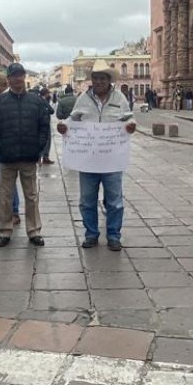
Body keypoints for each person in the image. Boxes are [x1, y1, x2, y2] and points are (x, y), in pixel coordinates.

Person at [57, 59, 136, 251]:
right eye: (96, 78)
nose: (99, 81)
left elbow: (128, 117)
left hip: (112, 159)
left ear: (109, 80)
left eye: (102, 78)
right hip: (89, 161)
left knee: (115, 201)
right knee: (86, 200)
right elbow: (73, 118)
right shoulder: (83, 98)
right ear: (92, 80)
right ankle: (91, 234)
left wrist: (132, 125)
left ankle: (114, 236)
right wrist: (64, 126)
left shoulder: (119, 98)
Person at [0, 62, 50, 248]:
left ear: (24, 77)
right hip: (6, 157)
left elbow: (44, 126)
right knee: (5, 196)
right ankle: (5, 230)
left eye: (20, 75)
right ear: (8, 79)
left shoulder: (36, 101)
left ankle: (34, 231)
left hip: (28, 157)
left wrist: (38, 148)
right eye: (14, 75)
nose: (17, 78)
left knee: (31, 195)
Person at [0, 72, 21, 225]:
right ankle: (4, 210)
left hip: (3, 145)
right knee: (2, 180)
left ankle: (13, 211)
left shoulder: (6, 99)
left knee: (8, 180)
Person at [38, 87, 55, 165]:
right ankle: (45, 157)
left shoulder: (36, 100)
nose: (49, 95)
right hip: (45, 123)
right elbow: (52, 110)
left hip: (37, 123)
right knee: (47, 140)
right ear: (46, 94)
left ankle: (38, 158)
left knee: (39, 140)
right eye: (48, 93)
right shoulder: (44, 101)